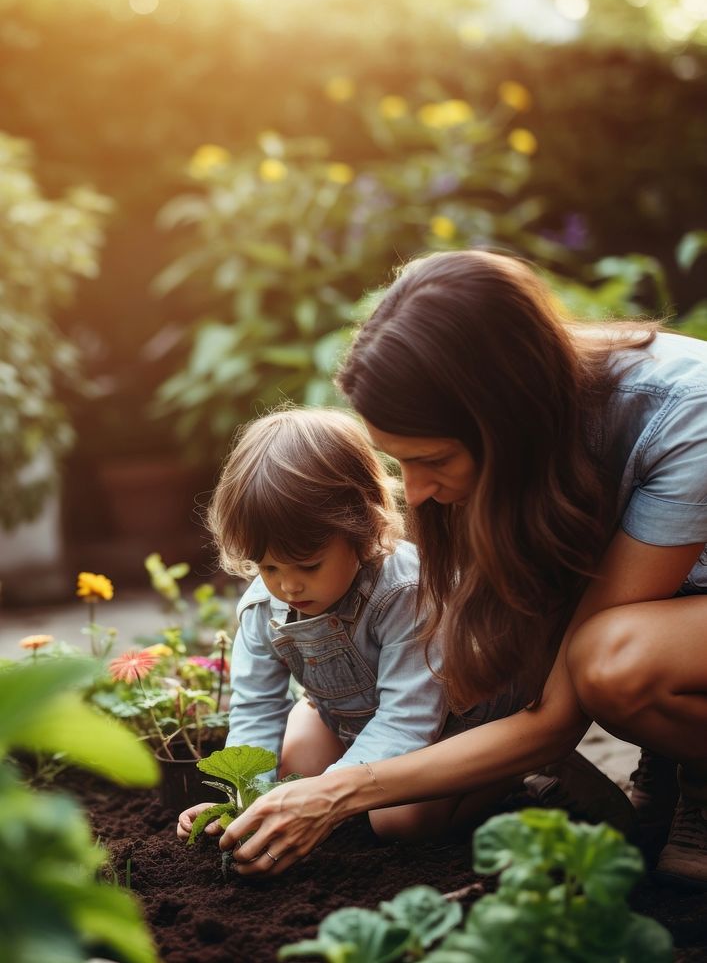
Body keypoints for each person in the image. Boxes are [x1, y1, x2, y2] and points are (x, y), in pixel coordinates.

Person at [211, 250, 707, 886]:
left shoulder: (681, 413)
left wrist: (339, 793)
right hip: (676, 616)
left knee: (612, 663)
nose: (412, 493)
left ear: (503, 417)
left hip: (670, 624)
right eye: (398, 461)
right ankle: (668, 758)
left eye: (433, 459)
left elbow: (558, 712)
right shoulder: (526, 437)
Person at [177, 406, 455, 845]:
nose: (287, 585)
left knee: (397, 823)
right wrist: (241, 802)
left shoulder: (404, 590)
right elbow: (255, 710)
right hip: (346, 718)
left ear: (362, 528)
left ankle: (507, 786)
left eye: (308, 565)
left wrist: (325, 795)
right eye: (268, 566)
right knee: (290, 771)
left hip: (443, 727)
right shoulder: (263, 607)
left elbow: (408, 721)